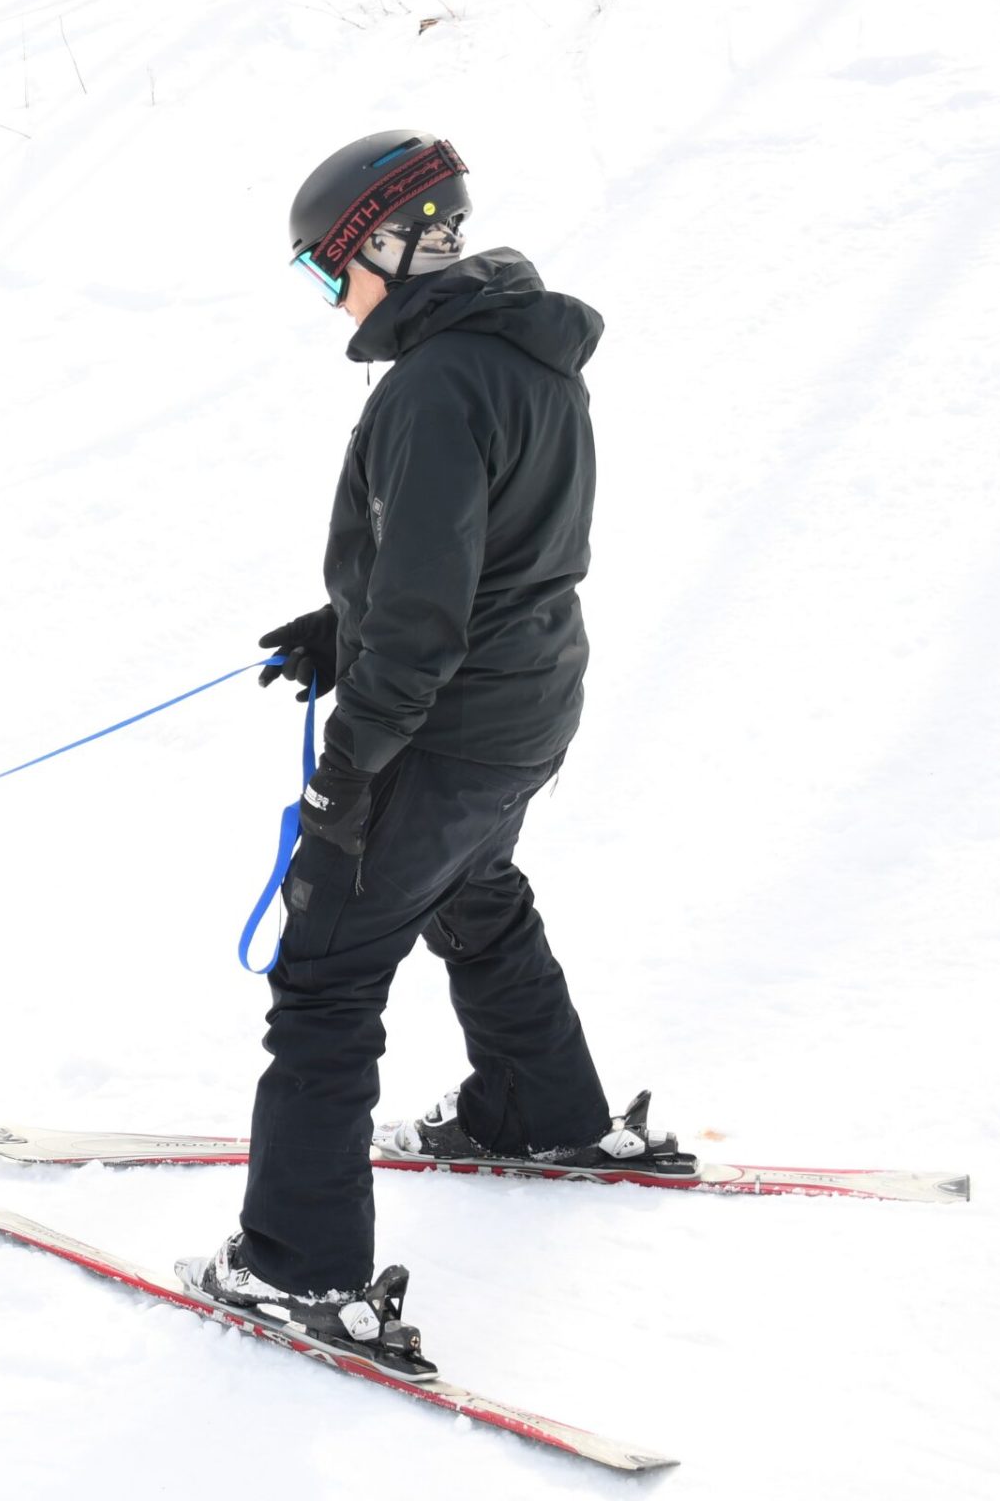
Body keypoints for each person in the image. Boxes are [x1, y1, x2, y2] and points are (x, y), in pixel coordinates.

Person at [183, 132, 684, 1372]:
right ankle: (539, 1109)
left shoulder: (433, 384)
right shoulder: (526, 354)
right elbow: (479, 552)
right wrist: (342, 625)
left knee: (325, 976)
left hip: (447, 726)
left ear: (389, 246)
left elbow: (424, 611)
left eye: (326, 268)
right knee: (473, 889)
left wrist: (349, 765)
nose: (329, 296)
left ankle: (297, 1265)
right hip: (525, 707)